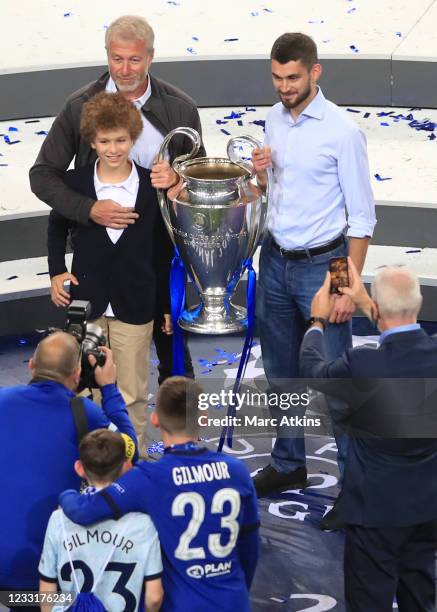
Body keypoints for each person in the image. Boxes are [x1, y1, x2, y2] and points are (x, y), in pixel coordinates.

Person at [29, 14, 203, 383]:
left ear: (151, 57)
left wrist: (177, 178)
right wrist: (89, 209)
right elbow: (43, 175)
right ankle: (95, 440)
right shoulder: (79, 106)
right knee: (90, 373)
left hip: (158, 257)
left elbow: (197, 187)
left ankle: (183, 438)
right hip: (99, 258)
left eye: (135, 59)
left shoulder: (180, 108)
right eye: (117, 58)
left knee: (175, 359)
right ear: (107, 55)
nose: (125, 69)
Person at [251, 32, 376, 499]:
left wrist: (344, 285)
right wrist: (260, 175)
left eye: (293, 77)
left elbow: (362, 217)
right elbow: (271, 195)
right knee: (281, 373)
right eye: (277, 77)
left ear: (314, 72)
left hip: (323, 267)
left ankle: (355, 488)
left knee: (336, 379)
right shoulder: (273, 120)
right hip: (276, 261)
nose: (284, 86)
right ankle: (288, 464)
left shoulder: (342, 132)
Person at [300, 260, 437, 612]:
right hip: (427, 505)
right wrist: (364, 301)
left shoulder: (361, 364)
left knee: (368, 600)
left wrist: (317, 321)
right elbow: (400, 338)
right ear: (419, 305)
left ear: (376, 306)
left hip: (373, 510)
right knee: (420, 593)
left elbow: (315, 372)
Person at [59, 377, 260, 612]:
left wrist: (65, 493)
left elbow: (84, 511)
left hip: (180, 604)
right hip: (232, 601)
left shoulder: (148, 478)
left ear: (155, 419)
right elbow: (250, 549)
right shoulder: (237, 471)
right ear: (204, 418)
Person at [47, 91, 172, 457]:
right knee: (86, 390)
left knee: (131, 390)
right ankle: (89, 461)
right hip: (87, 302)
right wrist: (57, 272)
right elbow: (56, 225)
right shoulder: (75, 184)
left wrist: (163, 304)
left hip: (137, 303)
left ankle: (132, 462)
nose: (113, 148)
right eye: (104, 141)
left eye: (120, 140)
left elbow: (162, 251)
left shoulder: (152, 187)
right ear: (91, 141)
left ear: (133, 138)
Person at [0, 331, 136, 599]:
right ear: (77, 374)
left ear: (31, 364)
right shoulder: (82, 411)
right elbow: (128, 451)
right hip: (48, 569)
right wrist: (108, 387)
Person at [39, 429, 163, 612]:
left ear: (79, 468)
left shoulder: (58, 519)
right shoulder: (144, 524)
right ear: (127, 466)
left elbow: (47, 588)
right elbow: (154, 597)